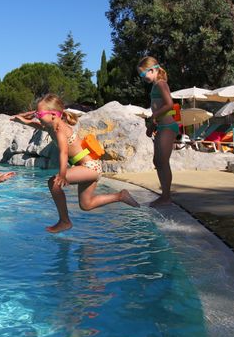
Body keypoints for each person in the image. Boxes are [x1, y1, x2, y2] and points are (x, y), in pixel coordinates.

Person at [10, 93, 139, 233]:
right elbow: (30, 122)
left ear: (53, 115)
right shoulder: (51, 126)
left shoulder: (60, 130)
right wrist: (24, 117)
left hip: (90, 167)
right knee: (86, 205)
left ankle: (64, 221)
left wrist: (62, 174)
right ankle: (120, 196)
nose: (37, 117)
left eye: (39, 114)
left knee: (53, 183)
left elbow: (64, 153)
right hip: (88, 167)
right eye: (37, 114)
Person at [138, 56, 177, 207]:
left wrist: (154, 116)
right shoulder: (155, 86)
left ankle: (166, 197)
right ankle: (165, 195)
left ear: (153, 70)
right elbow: (158, 108)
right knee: (158, 161)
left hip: (168, 126)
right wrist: (152, 126)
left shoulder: (161, 84)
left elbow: (169, 104)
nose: (142, 77)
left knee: (162, 162)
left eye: (143, 74)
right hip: (161, 126)